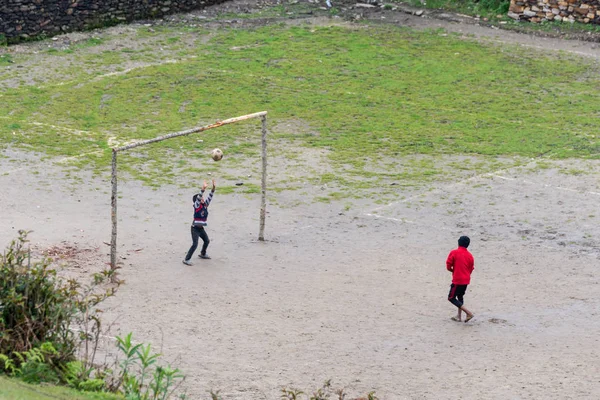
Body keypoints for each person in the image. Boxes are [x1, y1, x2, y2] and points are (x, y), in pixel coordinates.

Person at [183, 180, 216, 265]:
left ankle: (203, 253)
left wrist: (213, 188)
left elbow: (210, 197)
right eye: (201, 198)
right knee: (195, 244)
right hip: (195, 229)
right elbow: (198, 198)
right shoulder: (197, 206)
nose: (202, 198)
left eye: (202, 198)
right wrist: (203, 189)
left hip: (201, 229)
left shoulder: (205, 205)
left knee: (207, 241)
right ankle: (186, 259)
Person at [446, 235, 475, 322]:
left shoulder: (454, 252)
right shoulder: (470, 256)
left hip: (457, 279)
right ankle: (459, 316)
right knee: (460, 296)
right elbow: (471, 268)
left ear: (458, 243)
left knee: (451, 297)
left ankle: (468, 312)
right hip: (466, 280)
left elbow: (448, 265)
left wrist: (453, 271)